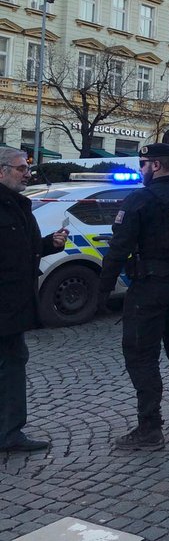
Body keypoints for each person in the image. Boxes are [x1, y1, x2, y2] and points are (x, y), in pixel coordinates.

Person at [99, 143, 169, 451]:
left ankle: (149, 428)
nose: (141, 168)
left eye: (143, 162)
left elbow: (119, 248)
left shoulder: (141, 199)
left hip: (149, 287)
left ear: (156, 166)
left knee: (141, 355)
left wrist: (103, 290)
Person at [0, 147, 67, 453]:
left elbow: (20, 251)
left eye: (27, 168)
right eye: (21, 168)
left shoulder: (18, 205)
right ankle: (9, 434)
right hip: (5, 305)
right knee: (10, 366)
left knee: (14, 364)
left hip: (15, 305)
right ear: (2, 171)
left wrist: (47, 244)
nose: (27, 173)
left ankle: (10, 429)